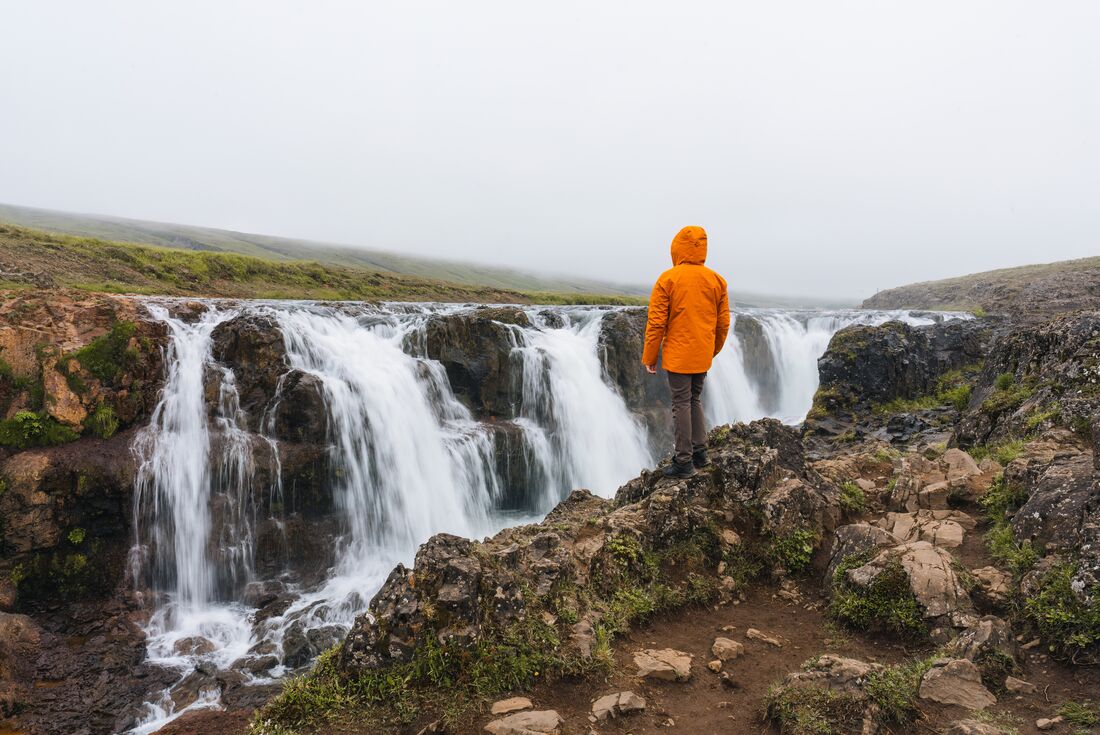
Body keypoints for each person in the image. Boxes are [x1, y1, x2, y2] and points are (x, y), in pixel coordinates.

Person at [641, 226, 731, 478]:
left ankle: (683, 462)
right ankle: (701, 452)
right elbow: (723, 323)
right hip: (702, 354)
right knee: (694, 399)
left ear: (676, 248)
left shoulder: (668, 279)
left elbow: (656, 322)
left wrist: (650, 357)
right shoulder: (717, 280)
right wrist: (711, 350)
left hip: (678, 356)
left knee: (681, 402)